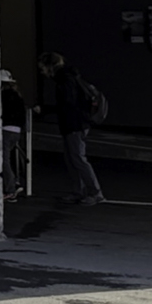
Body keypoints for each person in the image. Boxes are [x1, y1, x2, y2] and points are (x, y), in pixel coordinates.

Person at [37, 51, 104, 206]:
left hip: (75, 124)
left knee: (78, 158)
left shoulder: (65, 80)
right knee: (72, 158)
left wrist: (46, 110)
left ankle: (95, 192)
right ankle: (79, 191)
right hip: (74, 123)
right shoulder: (69, 77)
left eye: (43, 68)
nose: (42, 72)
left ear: (50, 67)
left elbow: (67, 104)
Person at [0, 74, 27, 200]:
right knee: (10, 158)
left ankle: (10, 189)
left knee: (4, 160)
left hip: (6, 129)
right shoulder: (18, 97)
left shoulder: (3, 96)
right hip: (16, 130)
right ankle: (15, 181)